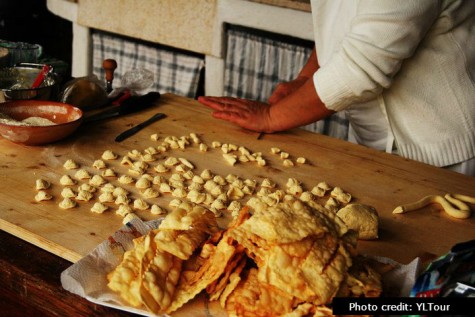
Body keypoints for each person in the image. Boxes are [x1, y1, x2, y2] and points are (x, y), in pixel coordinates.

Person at [198, 0, 475, 176]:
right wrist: (305, 79)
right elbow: (345, 29)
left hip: (445, 148)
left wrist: (271, 117)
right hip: (374, 143)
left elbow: (362, 68)